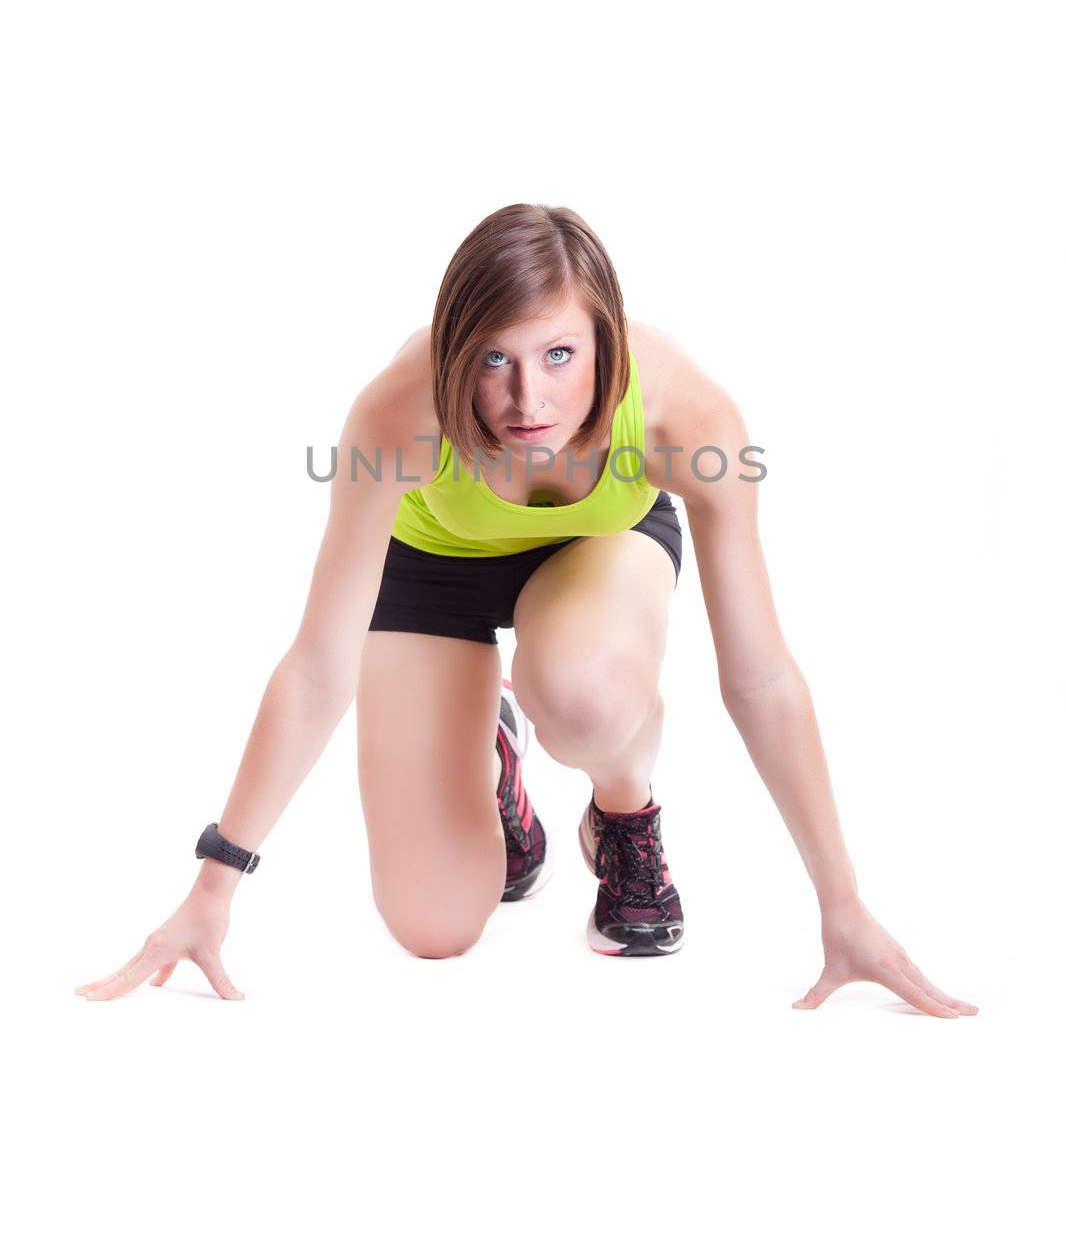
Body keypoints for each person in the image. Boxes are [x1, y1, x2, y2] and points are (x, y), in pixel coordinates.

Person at [75, 203, 978, 1013]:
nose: (527, 400)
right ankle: (500, 759)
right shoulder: (399, 414)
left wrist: (842, 904)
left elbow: (761, 672)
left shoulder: (681, 417)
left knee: (585, 696)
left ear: (604, 341)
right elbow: (318, 664)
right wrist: (213, 887)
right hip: (434, 562)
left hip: (598, 550)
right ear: (457, 350)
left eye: (558, 355)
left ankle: (622, 815)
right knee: (433, 924)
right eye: (494, 361)